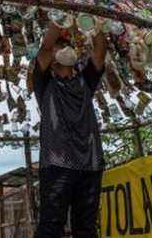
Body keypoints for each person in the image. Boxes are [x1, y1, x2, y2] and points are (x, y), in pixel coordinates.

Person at [33, 21, 107, 238]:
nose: (62, 49)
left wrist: (95, 23)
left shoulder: (85, 81)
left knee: (86, 228)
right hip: (57, 164)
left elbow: (100, 52)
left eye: (67, 46)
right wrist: (59, 20)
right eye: (59, 46)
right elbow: (45, 49)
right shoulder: (44, 83)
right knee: (50, 226)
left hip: (90, 164)